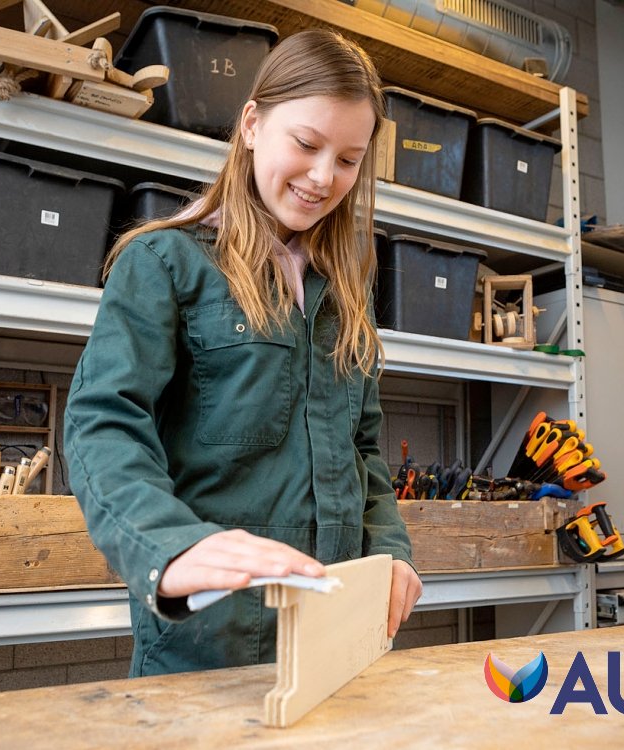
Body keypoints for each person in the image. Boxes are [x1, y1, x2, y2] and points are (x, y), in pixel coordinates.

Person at [64, 28, 423, 677]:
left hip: (335, 640)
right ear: (253, 124)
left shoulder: (348, 290)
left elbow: (363, 448)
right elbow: (101, 427)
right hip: (208, 648)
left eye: (348, 159)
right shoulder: (164, 264)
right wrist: (170, 548)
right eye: (307, 144)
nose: (324, 177)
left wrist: (391, 552)